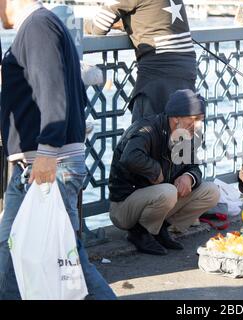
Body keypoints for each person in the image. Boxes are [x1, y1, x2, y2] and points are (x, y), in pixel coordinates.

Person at [0, 0, 116, 300]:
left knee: (66, 258)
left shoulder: (38, 26)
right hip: (41, 163)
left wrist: (48, 151)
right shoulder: (42, 25)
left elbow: (53, 91)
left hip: (48, 164)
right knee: (20, 250)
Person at [108, 89, 220, 255]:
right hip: (125, 207)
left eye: (201, 120)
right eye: (194, 119)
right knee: (168, 191)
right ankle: (139, 233)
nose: (198, 125)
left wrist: (189, 177)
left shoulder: (187, 134)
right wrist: (155, 171)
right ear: (176, 118)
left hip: (160, 199)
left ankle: (161, 229)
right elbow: (130, 157)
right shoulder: (146, 129)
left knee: (211, 191)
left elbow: (193, 167)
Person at [84, 0, 197, 123]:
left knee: (144, 135)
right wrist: (124, 24)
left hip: (158, 74)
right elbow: (150, 16)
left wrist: (82, 24)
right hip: (187, 68)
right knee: (181, 136)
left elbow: (98, 28)